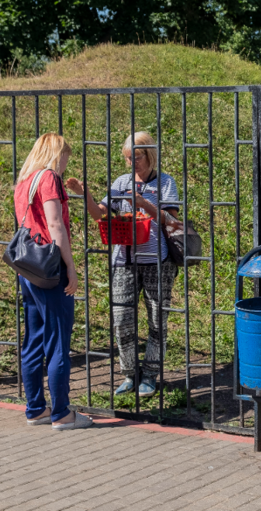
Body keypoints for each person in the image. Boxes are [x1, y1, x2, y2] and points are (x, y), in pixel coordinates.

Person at [66, 131, 179, 398]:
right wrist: (85, 195)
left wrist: (144, 205)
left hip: (157, 260)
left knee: (157, 319)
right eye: (128, 158)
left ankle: (149, 376)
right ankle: (130, 374)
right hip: (124, 260)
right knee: (121, 320)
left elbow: (171, 221)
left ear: (149, 154)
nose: (131, 163)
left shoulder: (164, 183)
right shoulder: (121, 182)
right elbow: (100, 215)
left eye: (136, 157)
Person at [14, 133, 93, 430]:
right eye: (65, 158)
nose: (64, 165)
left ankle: (35, 408)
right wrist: (70, 267)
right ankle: (62, 413)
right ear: (55, 154)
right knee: (58, 338)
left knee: (33, 340)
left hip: (28, 269)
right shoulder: (48, 178)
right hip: (51, 268)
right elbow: (55, 224)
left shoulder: (25, 181)